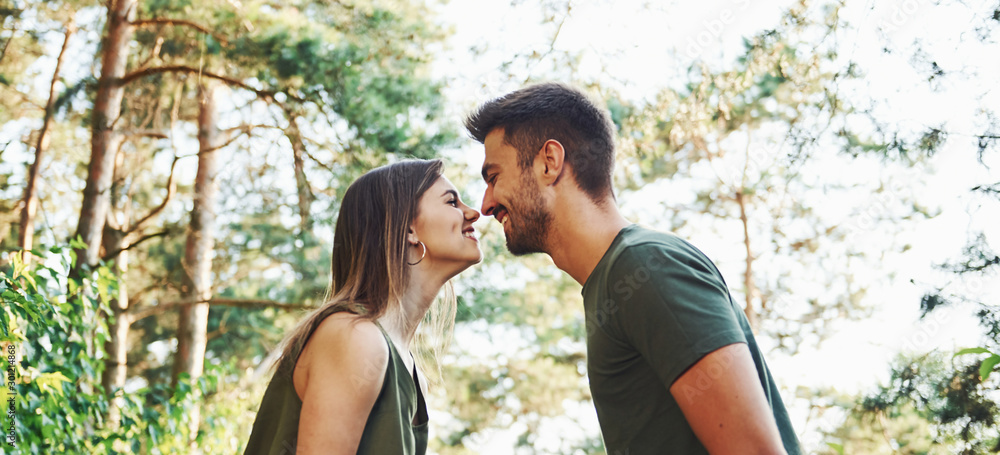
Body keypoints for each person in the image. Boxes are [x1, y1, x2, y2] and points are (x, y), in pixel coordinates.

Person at [465, 83, 801, 455]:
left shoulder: (645, 267)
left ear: (549, 162)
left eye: (493, 177)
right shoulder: (614, 281)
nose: (486, 205)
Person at [243, 159, 482, 455]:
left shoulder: (407, 367)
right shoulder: (355, 337)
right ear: (408, 228)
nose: (473, 212)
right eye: (452, 202)